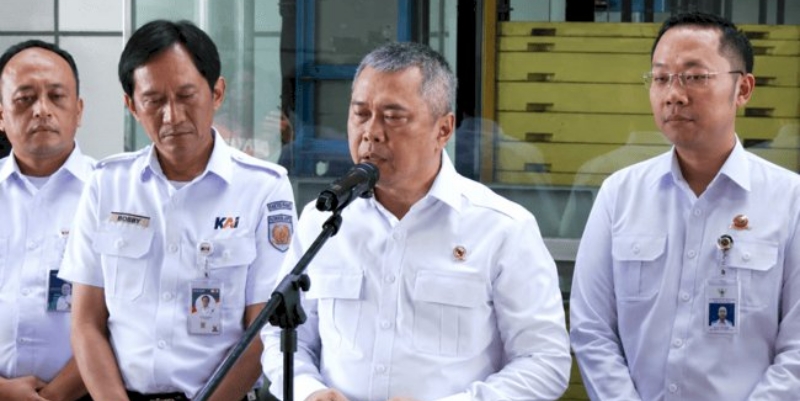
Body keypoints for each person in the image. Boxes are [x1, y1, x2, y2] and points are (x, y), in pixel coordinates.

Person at [261, 41, 571, 401]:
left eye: (393, 117)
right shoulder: (323, 220)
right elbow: (281, 336)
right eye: (360, 114)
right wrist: (309, 391)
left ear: (444, 129)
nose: (371, 132)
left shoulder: (502, 228)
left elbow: (544, 362)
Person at [59, 20, 297, 401]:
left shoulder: (263, 189)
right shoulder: (107, 185)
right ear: (132, 106)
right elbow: (86, 323)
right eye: (154, 101)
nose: (172, 116)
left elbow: (262, 330)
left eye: (187, 96)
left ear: (216, 93)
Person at [570, 11, 800, 400]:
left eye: (695, 77)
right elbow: (592, 329)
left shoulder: (790, 201)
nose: (674, 94)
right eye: (661, 78)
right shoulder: (619, 195)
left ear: (743, 89)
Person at [0, 39, 93, 401]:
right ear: (1, 115)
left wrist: (54, 397)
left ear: (78, 111)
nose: (41, 110)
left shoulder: (113, 195)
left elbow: (126, 317)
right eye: (25, 99)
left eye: (56, 97)